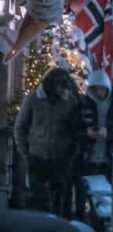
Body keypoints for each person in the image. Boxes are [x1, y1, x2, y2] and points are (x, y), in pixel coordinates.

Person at [14, 67, 80, 217]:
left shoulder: (69, 102)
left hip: (60, 158)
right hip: (36, 157)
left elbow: (76, 129)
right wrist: (26, 153)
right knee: (37, 200)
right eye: (60, 85)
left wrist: (71, 154)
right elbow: (20, 126)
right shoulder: (33, 99)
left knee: (60, 200)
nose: (62, 89)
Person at [77, 70, 113, 177]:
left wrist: (109, 134)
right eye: (94, 89)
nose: (98, 92)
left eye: (101, 88)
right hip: (88, 159)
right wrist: (86, 133)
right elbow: (74, 128)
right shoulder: (83, 104)